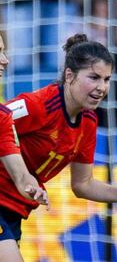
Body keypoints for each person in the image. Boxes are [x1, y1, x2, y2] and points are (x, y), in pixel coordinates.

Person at [1, 33, 117, 256]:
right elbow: (1, 115)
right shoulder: (40, 105)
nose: (102, 87)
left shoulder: (89, 123)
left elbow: (82, 184)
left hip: (13, 211)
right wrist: (21, 176)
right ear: (69, 75)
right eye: (93, 77)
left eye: (107, 79)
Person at [0, 32, 49, 262]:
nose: (5, 60)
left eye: (4, 52)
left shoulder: (2, 117)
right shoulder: (38, 106)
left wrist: (33, 188)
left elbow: (20, 175)